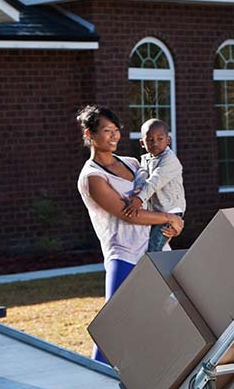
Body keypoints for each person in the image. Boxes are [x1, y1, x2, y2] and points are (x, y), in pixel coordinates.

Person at [76, 106, 184, 362]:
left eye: (116, 131)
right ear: (90, 134)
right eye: (106, 131)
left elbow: (157, 199)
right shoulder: (92, 177)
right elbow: (128, 214)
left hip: (154, 248)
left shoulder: (134, 163)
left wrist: (175, 221)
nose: (113, 137)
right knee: (113, 324)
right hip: (123, 254)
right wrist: (169, 218)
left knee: (169, 316)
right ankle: (96, 380)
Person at [122, 118, 186, 252]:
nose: (155, 143)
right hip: (157, 212)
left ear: (168, 140)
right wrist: (138, 188)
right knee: (148, 243)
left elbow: (155, 181)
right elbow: (142, 173)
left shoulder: (170, 160)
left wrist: (139, 199)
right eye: (150, 140)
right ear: (142, 143)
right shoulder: (146, 158)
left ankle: (151, 270)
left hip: (171, 210)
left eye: (160, 138)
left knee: (154, 247)